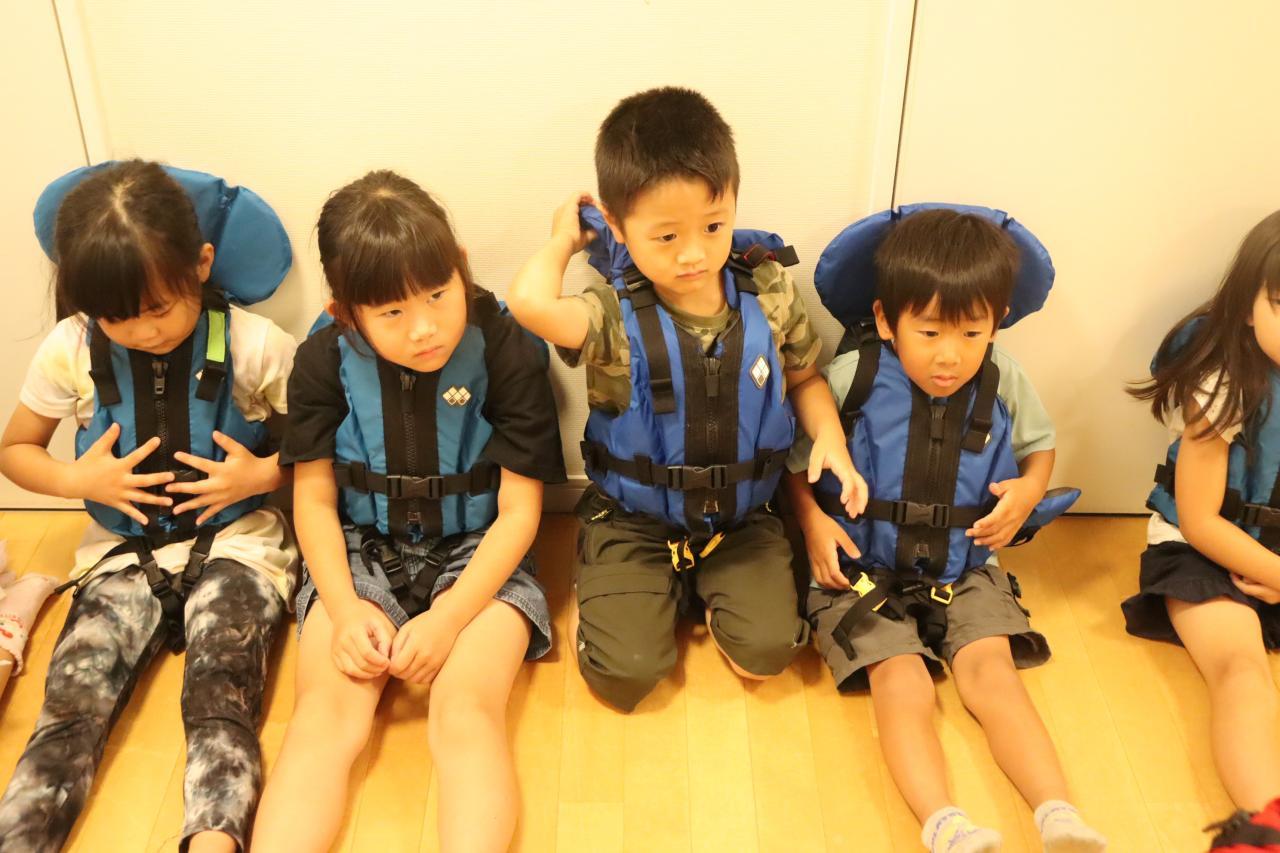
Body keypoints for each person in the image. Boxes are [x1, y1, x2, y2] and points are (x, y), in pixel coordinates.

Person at [508, 86, 862, 712]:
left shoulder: (768, 289)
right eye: (667, 235)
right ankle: (640, 588)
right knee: (624, 677)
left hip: (743, 518)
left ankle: (704, 589)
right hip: (634, 519)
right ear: (620, 227)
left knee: (769, 653)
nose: (694, 252)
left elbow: (805, 378)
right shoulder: (610, 315)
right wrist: (564, 239)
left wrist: (829, 438)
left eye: (713, 226)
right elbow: (529, 304)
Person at [251, 170, 564, 853]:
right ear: (347, 314)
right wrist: (343, 609)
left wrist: (448, 619)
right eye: (392, 313)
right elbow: (314, 499)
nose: (425, 328)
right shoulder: (322, 359)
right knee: (324, 717)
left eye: (438, 294)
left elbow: (519, 512)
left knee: (465, 713)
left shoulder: (506, 349)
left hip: (480, 550)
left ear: (462, 270)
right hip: (360, 549)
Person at [0, 159, 297, 853]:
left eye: (158, 309)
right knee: (71, 703)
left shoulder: (256, 345)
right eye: (118, 317)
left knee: (221, 692)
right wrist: (80, 480)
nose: (143, 331)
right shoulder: (71, 347)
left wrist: (258, 474)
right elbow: (15, 449)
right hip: (119, 554)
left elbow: (324, 449)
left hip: (239, 544)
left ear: (202, 264)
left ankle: (214, 839)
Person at [789, 206, 1104, 852]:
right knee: (901, 679)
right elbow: (795, 463)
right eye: (929, 331)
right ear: (886, 320)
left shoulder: (1004, 378)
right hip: (861, 571)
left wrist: (1029, 490)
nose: (949, 354)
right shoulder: (853, 377)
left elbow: (1040, 447)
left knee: (993, 673)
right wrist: (814, 523)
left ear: (998, 322)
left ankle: (1060, 817)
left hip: (967, 565)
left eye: (971, 332)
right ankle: (946, 825)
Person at [1124, 211, 1280, 850]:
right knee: (1242, 671)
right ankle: (1265, 823)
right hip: (1204, 554)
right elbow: (1200, 520)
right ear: (1247, 309)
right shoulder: (1223, 381)